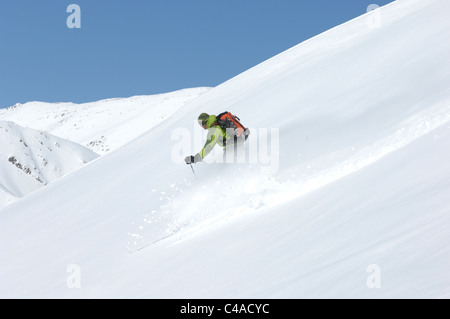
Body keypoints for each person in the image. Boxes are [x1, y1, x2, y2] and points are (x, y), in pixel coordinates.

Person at [184, 112, 248, 165]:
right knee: (233, 167)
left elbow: (209, 146)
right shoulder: (216, 124)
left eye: (201, 124)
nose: (201, 126)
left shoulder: (214, 129)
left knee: (230, 169)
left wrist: (196, 158)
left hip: (232, 148)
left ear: (204, 122)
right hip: (235, 145)